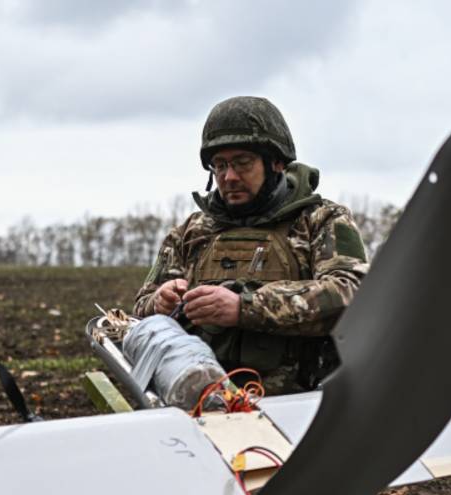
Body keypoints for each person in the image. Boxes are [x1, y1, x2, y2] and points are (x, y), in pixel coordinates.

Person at [132, 96, 369, 394]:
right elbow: (139, 313)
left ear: (277, 162)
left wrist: (244, 307)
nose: (229, 177)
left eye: (242, 163)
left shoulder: (321, 220)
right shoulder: (192, 231)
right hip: (201, 400)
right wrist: (159, 303)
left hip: (299, 403)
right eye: (220, 166)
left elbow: (352, 294)